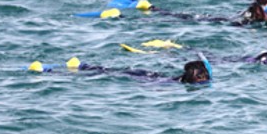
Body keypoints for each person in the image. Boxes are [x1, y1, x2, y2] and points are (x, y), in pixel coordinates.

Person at [29, 57, 212, 84]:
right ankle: (51, 72)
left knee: (108, 71)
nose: (204, 79)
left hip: (147, 74)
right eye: (201, 77)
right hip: (147, 78)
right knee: (107, 73)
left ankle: (81, 65)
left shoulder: (181, 80)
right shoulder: (174, 84)